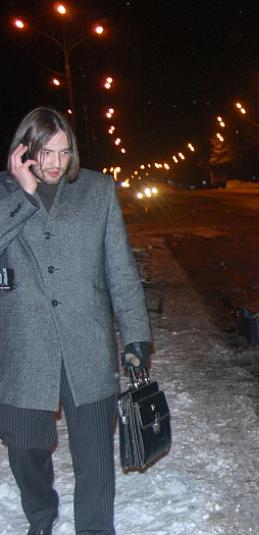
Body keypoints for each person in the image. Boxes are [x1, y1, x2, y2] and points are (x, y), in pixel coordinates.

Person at [0, 107, 152, 535]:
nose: (55, 162)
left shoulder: (97, 190)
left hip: (87, 341)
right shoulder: (4, 192)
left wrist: (136, 335)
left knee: (95, 454)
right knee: (25, 444)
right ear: (23, 151)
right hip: (25, 347)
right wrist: (23, 194)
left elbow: (119, 269)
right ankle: (42, 514)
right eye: (45, 152)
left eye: (63, 152)